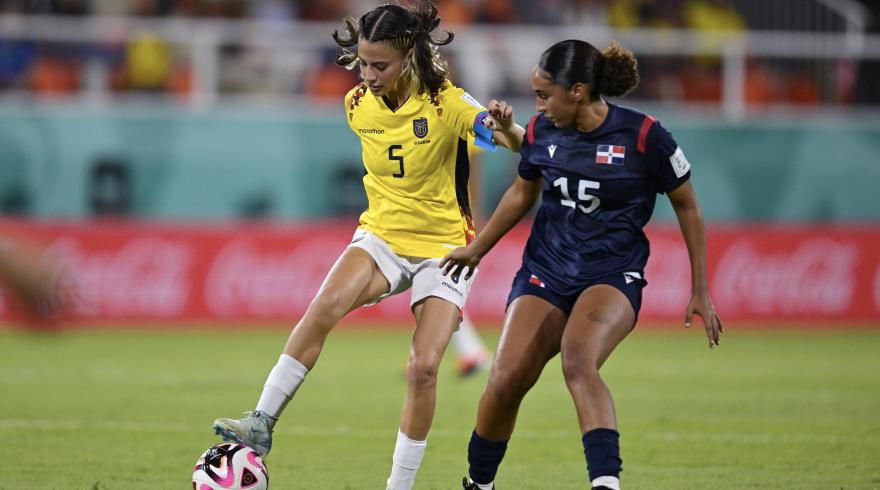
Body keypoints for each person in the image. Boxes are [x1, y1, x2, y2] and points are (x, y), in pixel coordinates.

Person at [212, 3, 523, 489]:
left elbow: (514, 145)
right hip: (381, 235)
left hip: (444, 249)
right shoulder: (357, 105)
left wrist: (504, 126)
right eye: (362, 63)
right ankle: (261, 422)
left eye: (381, 65)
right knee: (323, 308)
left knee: (422, 368)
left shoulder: (447, 103)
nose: (368, 75)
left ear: (410, 58)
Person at [442, 39, 724, 490]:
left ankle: (605, 484)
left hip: (612, 275)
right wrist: (479, 248)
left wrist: (700, 289)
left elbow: (687, 206)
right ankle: (479, 484)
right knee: (505, 378)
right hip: (546, 271)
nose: (538, 104)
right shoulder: (541, 131)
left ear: (576, 91)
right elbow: (522, 193)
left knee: (578, 362)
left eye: (544, 94)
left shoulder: (646, 136)